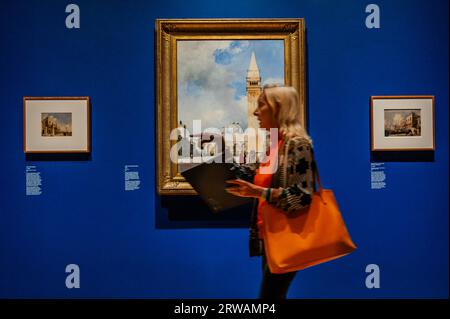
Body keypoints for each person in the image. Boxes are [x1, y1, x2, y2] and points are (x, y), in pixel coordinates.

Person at [226, 85, 315, 299]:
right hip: (269, 235)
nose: (256, 112)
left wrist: (260, 193)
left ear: (278, 108)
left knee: (268, 300)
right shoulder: (275, 143)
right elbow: (252, 174)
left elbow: (302, 196)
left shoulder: (297, 145)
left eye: (261, 105)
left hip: (287, 237)